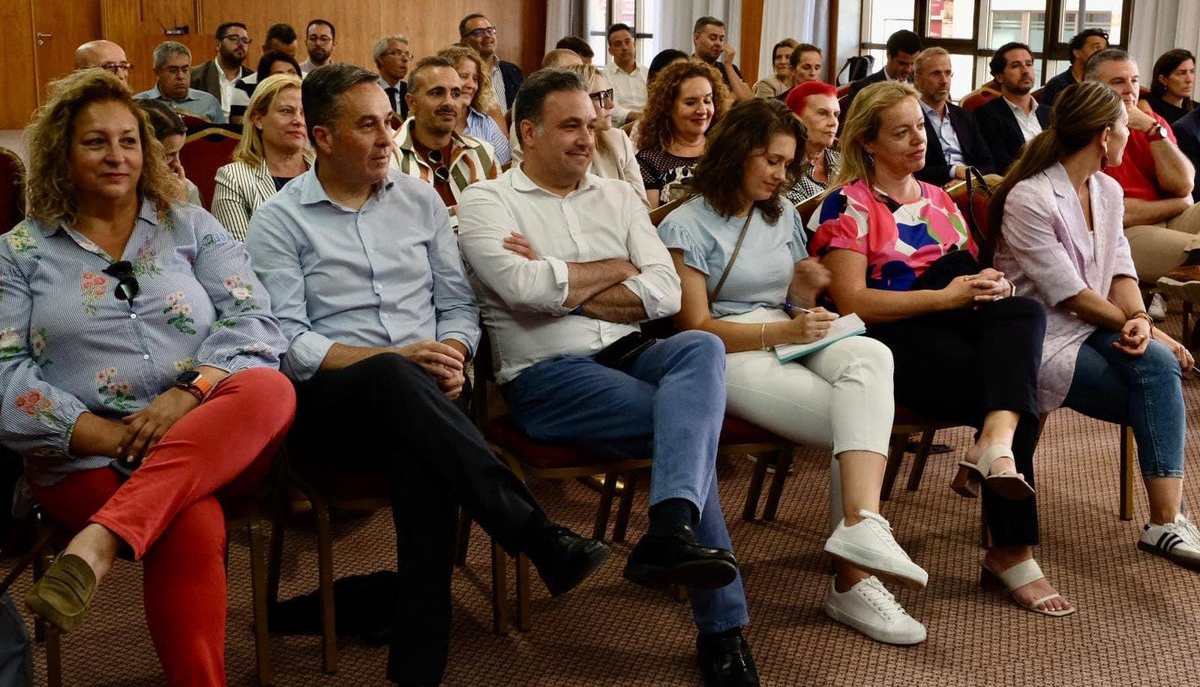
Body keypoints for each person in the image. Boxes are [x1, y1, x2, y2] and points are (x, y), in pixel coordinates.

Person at [244, 63, 608, 686]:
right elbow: (290, 343)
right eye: (367, 126)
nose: (387, 138)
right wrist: (396, 362)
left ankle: (417, 668)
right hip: (335, 408)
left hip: (430, 400)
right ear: (323, 138)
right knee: (395, 378)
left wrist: (453, 353)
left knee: (425, 457)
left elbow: (458, 305)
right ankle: (535, 533)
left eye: (388, 122)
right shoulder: (280, 221)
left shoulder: (420, 202)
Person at [458, 68, 759, 687]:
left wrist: (559, 279)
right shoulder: (488, 201)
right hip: (548, 375)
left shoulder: (619, 196)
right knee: (688, 426)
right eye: (570, 126)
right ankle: (722, 629)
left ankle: (669, 529)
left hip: (631, 352)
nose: (586, 138)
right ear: (527, 133)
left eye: (592, 126)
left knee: (701, 344)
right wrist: (618, 266)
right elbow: (522, 289)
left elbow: (665, 292)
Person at [4, 69, 294, 684]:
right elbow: (5, 378)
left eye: (129, 141)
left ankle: (100, 541)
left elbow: (253, 318)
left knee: (271, 386)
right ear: (62, 153)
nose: (117, 156)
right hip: (86, 456)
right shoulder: (19, 253)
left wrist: (185, 398)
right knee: (191, 520)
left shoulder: (189, 225)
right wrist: (116, 437)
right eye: (96, 142)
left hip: (213, 428)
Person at [658, 99, 929, 645]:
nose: (782, 176)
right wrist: (784, 328)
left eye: (787, 164)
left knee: (873, 357)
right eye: (772, 161)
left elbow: (789, 302)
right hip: (725, 352)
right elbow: (695, 328)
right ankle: (853, 578)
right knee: (856, 422)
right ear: (737, 153)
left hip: (787, 328)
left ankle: (860, 527)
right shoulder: (685, 223)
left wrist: (802, 293)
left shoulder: (778, 213)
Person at [810, 81, 1072, 619]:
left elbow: (966, 276)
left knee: (1023, 313)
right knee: (1008, 385)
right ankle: (1012, 547)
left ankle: (994, 445)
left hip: (952, 323)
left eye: (920, 128)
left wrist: (989, 284)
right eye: (900, 133)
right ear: (867, 142)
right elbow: (853, 302)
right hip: (889, 339)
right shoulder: (848, 204)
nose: (918, 140)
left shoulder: (938, 198)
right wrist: (946, 295)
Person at [991, 80, 1200, 574]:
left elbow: (1121, 269)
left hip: (1094, 321)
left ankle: (1165, 521)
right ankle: (1168, 519)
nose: (1130, 134)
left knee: (1157, 365)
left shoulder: (1107, 189)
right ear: (1105, 136)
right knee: (1154, 385)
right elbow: (1068, 293)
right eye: (1126, 126)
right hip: (1036, 333)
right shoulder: (1030, 196)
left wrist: (1144, 322)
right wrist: (1146, 327)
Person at [1086, 48, 1200, 306]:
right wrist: (1178, 204)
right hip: (1123, 233)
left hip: (1169, 219)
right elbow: (1114, 212)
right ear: (1091, 87)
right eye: (1118, 82)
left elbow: (1183, 185)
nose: (1130, 90)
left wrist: (1152, 129)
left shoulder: (1152, 121)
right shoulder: (1084, 132)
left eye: (1135, 80)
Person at [391, 56, 499, 226]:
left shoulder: (482, 152)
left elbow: (499, 215)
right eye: (437, 93)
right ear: (412, 102)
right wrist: (467, 214)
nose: (449, 102)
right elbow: (399, 226)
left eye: (456, 94)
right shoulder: (388, 156)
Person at [212, 74, 311, 241]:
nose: (298, 120)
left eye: (304, 113)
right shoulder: (233, 179)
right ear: (258, 119)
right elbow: (238, 253)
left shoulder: (330, 173)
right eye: (286, 111)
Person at [636, 60, 729, 207]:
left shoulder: (726, 151)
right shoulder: (649, 160)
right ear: (668, 107)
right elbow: (651, 218)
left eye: (707, 101)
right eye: (690, 103)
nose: (702, 110)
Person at [565, 63, 648, 204]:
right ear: (578, 101)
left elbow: (641, 205)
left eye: (609, 95)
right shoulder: (556, 147)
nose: (611, 104)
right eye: (601, 97)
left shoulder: (618, 140)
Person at [912, 46, 996, 184]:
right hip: (931, 188)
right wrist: (953, 171)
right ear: (918, 79)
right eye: (936, 74)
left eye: (948, 73)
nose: (944, 80)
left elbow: (988, 163)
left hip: (972, 184)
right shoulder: (910, 118)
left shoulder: (965, 116)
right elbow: (912, 170)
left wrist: (968, 179)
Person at [971, 42, 1049, 174]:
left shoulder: (1050, 113)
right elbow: (1001, 165)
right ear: (999, 77)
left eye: (1028, 64)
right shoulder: (986, 116)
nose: (1025, 71)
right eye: (1015, 66)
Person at [439, 45, 512, 165]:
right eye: (464, 76)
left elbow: (506, 168)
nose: (471, 85)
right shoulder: (428, 121)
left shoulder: (486, 124)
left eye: (475, 79)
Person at [133, 42, 226, 123]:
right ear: (157, 73)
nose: (181, 76)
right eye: (173, 71)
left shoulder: (209, 102)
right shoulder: (138, 104)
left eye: (185, 70)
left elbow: (225, 136)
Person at [136, 99, 203, 205]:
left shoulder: (186, 189)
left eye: (178, 152)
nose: (177, 164)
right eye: (167, 156)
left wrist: (180, 202)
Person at [783, 81, 841, 203]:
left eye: (836, 115)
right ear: (795, 118)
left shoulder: (845, 161)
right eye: (822, 113)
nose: (833, 122)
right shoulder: (783, 169)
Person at [459, 13, 524, 112]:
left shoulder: (513, 71)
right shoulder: (458, 73)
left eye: (490, 30)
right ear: (464, 42)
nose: (487, 35)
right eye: (478, 32)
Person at [190, 22, 253, 116]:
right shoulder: (195, 76)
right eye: (234, 39)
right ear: (218, 45)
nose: (241, 44)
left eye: (245, 41)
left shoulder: (254, 80)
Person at [1040, 28, 1109, 108]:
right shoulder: (1059, 84)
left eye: (1104, 49)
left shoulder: (1105, 84)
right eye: (1096, 47)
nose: (1101, 53)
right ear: (1077, 53)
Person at [845, 30, 921, 103]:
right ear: (888, 55)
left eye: (913, 64)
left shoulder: (920, 86)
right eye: (902, 63)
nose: (908, 70)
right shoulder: (861, 89)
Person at [229, 51, 303, 123]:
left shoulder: (306, 100)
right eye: (279, 75)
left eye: (292, 73)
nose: (287, 78)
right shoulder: (245, 88)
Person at [692, 16, 753, 103]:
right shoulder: (686, 68)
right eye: (713, 38)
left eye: (721, 39)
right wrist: (732, 97)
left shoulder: (729, 69)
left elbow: (749, 102)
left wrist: (728, 65)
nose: (718, 43)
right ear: (696, 38)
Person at [604, 22, 648, 124]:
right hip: (620, 128)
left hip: (649, 126)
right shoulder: (603, 76)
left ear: (634, 44)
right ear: (610, 51)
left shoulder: (648, 73)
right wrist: (639, 117)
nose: (624, 47)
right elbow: (610, 108)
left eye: (628, 42)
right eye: (618, 44)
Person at [1146, 48, 1197, 126]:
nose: (1189, 80)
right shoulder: (1148, 104)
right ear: (1163, 80)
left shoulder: (1196, 109)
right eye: (1182, 73)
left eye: (1192, 71)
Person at [373, 34, 412, 119]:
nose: (405, 59)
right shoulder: (370, 92)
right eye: (397, 53)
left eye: (407, 55)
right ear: (381, 59)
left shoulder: (411, 92)